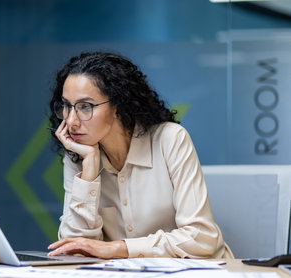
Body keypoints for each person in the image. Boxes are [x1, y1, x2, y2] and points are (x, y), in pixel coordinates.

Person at [46, 51, 233, 259]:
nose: (70, 120)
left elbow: (201, 238)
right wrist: (89, 173)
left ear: (117, 104)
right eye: (66, 106)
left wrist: (118, 248)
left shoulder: (170, 139)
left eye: (85, 107)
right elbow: (75, 251)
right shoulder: (79, 156)